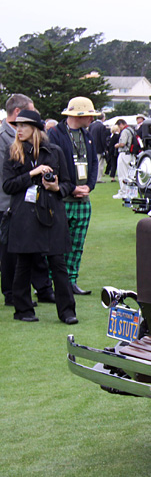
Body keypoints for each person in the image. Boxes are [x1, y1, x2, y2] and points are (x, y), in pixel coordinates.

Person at [2, 110, 77, 324]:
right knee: (23, 263)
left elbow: (68, 184)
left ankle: (67, 312)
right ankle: (23, 310)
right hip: (24, 214)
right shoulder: (12, 153)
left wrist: (55, 187)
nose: (19, 130)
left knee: (58, 263)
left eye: (23, 126)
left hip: (52, 212)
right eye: (17, 126)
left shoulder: (55, 152)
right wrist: (32, 174)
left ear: (35, 128)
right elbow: (8, 186)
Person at [0, 95, 57, 307]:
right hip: (8, 203)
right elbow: (4, 179)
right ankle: (12, 293)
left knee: (35, 249)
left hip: (32, 202)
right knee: (10, 253)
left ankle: (42, 288)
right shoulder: (4, 138)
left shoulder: (34, 141)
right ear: (17, 113)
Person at [47, 96, 102, 296]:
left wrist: (89, 186)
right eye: (89, 115)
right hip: (62, 198)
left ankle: (71, 280)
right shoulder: (55, 134)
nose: (92, 119)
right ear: (80, 115)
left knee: (77, 244)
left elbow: (93, 164)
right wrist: (70, 188)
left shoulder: (87, 135)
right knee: (56, 244)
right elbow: (53, 164)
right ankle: (52, 284)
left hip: (83, 200)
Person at [113, 119, 136, 199]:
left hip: (124, 153)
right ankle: (131, 193)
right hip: (131, 154)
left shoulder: (125, 131)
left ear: (121, 124)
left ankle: (123, 192)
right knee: (130, 175)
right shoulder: (132, 130)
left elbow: (123, 143)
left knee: (122, 174)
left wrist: (117, 145)